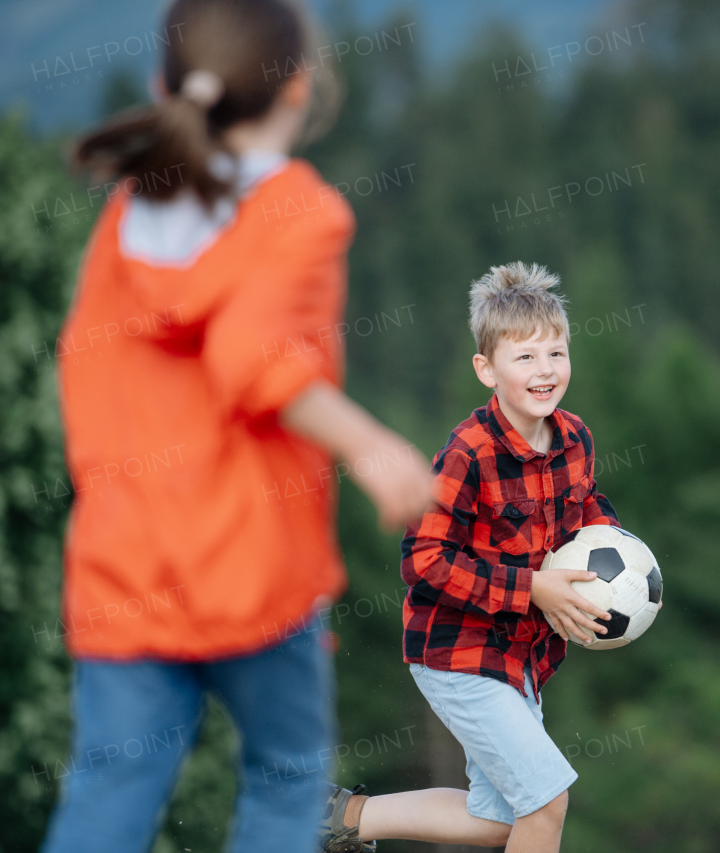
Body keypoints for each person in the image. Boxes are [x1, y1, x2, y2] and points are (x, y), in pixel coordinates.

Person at [40, 1, 433, 851]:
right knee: (287, 781)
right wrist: (372, 446)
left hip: (125, 568)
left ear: (166, 87)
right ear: (298, 87)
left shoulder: (127, 214)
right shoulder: (299, 210)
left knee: (108, 791)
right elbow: (252, 356)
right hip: (253, 571)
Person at [318, 263, 621, 853]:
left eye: (556, 354)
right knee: (546, 800)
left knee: (504, 818)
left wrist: (612, 549)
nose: (545, 370)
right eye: (525, 358)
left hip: (521, 656)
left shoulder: (575, 437)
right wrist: (532, 587)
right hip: (456, 651)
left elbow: (583, 509)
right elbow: (424, 559)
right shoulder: (468, 453)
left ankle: (344, 816)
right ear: (487, 368)